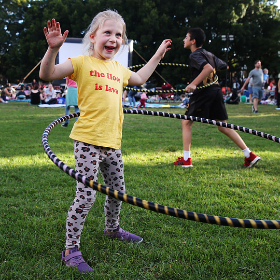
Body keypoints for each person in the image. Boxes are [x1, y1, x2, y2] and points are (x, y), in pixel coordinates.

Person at [39, 11, 171, 273]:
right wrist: (53, 50)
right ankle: (71, 248)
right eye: (107, 33)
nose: (113, 38)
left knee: (117, 192)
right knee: (86, 197)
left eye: (118, 34)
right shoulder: (80, 62)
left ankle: (112, 229)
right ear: (93, 37)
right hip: (87, 141)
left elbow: (141, 78)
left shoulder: (118, 69)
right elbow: (47, 74)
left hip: (113, 142)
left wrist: (157, 55)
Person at [173, 28, 260, 168]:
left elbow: (207, 69)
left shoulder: (195, 55)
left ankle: (186, 160)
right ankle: (249, 155)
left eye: (186, 37)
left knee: (186, 123)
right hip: (216, 90)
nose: (184, 39)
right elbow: (224, 66)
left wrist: (194, 83)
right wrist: (209, 70)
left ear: (193, 41)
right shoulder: (208, 54)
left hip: (204, 92)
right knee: (222, 125)